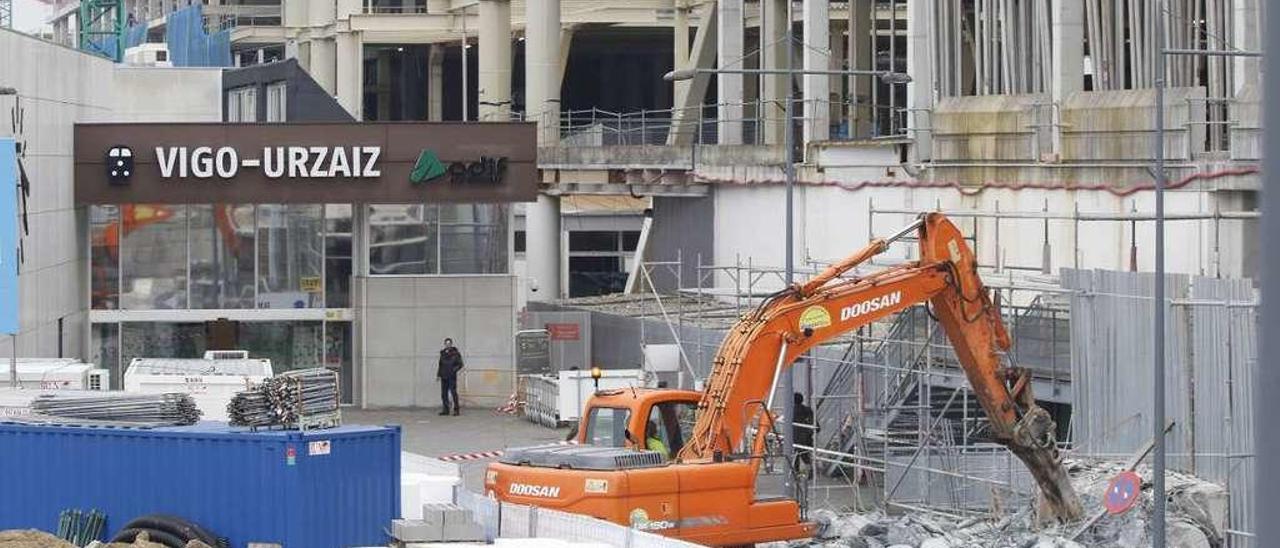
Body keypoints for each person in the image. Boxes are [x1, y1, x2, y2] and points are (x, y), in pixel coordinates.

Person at [437, 338, 464, 416]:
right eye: (446, 343)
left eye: (449, 343)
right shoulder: (442, 353)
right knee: (444, 394)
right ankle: (446, 410)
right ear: (444, 344)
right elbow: (440, 365)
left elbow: (460, 364)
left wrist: (453, 370)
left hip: (451, 376)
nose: (447, 345)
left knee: (453, 393)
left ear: (451, 344)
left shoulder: (456, 353)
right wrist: (438, 375)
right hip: (443, 376)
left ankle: (456, 410)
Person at [792, 393, 815, 471]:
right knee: (805, 455)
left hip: (794, 436)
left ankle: (796, 472)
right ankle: (810, 470)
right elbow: (814, 422)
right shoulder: (807, 410)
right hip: (806, 436)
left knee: (795, 455)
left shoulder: (791, 410)